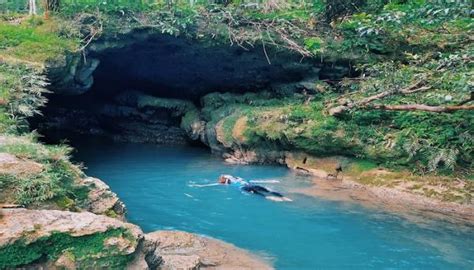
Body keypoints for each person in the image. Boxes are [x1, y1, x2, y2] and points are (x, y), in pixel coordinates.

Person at [218, 175, 292, 202]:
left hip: (244, 188)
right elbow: (227, 176)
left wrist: (222, 180)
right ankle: (283, 197)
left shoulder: (228, 183)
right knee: (268, 190)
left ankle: (270, 198)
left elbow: (224, 182)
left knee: (258, 194)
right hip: (251, 185)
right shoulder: (238, 178)